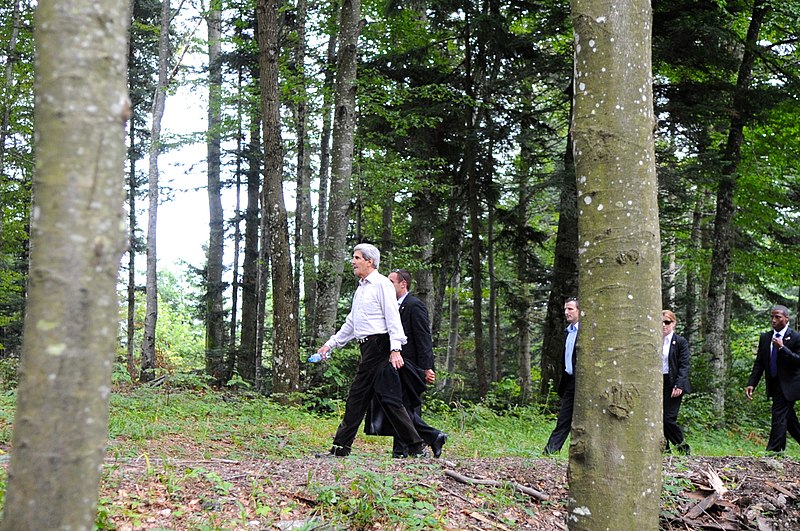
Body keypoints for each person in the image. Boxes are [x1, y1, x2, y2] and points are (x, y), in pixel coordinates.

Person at [316, 243, 428, 458]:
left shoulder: (381, 284)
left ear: (370, 261)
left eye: (357, 257)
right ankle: (416, 447)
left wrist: (395, 348)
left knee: (365, 398)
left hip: (381, 346)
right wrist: (331, 343)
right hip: (368, 348)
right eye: (353, 257)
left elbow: (392, 316)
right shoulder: (362, 287)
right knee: (379, 400)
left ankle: (341, 449)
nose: (353, 261)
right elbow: (352, 322)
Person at [385, 269, 447, 458]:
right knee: (400, 405)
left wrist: (427, 367)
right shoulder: (392, 306)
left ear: (403, 284)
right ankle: (407, 447)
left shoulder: (414, 305)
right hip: (396, 364)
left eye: (391, 282)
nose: (387, 286)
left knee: (403, 406)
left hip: (411, 366)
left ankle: (416, 443)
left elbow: (423, 338)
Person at [745, 305, 800, 452]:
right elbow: (760, 363)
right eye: (772, 317)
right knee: (789, 420)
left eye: (778, 317)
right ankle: (778, 450)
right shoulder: (765, 337)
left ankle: (773, 451)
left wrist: (783, 348)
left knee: (778, 415)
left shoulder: (795, 337)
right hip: (774, 383)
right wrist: (752, 383)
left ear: (786, 319)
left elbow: (798, 361)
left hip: (790, 385)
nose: (773, 320)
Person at [543, 297, 580, 455]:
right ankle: (550, 451)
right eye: (565, 309)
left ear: (580, 311)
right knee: (564, 418)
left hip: (584, 382)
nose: (566, 312)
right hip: (569, 381)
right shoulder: (568, 332)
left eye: (570, 309)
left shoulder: (586, 332)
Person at [661, 310, 691, 454]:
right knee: (658, 418)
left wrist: (679, 384)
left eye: (667, 322)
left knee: (668, 418)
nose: (663, 325)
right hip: (658, 382)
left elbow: (684, 365)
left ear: (674, 323)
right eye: (661, 322)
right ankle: (664, 450)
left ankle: (683, 447)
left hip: (673, 382)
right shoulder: (654, 340)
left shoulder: (680, 342)